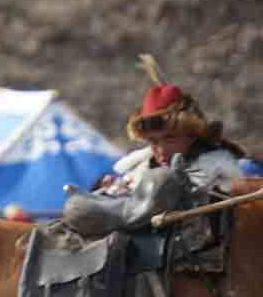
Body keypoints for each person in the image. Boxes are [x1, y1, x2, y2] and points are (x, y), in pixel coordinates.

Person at [95, 55, 244, 197]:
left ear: (191, 134)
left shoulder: (227, 175)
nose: (161, 150)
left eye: (169, 138)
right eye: (153, 141)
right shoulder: (134, 178)